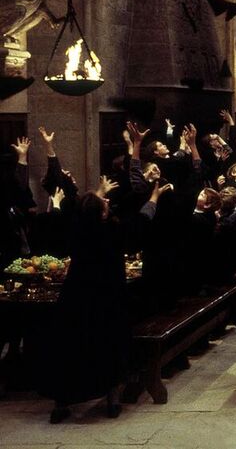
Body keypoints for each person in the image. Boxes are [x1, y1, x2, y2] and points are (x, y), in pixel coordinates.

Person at [38, 175, 171, 423]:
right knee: (108, 345)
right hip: (107, 296)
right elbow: (141, 222)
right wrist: (153, 198)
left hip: (76, 295)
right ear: (101, 213)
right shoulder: (112, 231)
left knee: (71, 347)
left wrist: (56, 204)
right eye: (104, 204)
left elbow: (56, 226)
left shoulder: (76, 229)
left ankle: (61, 403)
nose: (108, 204)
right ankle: (112, 400)